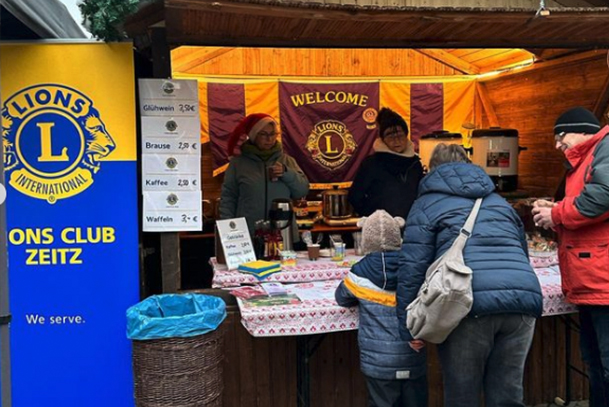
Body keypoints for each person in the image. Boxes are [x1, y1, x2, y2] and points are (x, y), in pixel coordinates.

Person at [397, 143, 542, 407]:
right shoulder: (500, 202)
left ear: (431, 169)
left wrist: (408, 327)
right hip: (522, 300)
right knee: (508, 396)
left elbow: (412, 268)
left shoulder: (426, 203)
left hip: (466, 303)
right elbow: (522, 252)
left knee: (463, 396)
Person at [532, 106, 609, 406]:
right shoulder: (584, 158)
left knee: (605, 363)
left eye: (560, 136)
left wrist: (557, 213)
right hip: (592, 280)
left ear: (581, 131)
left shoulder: (604, 148)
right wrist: (553, 208)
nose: (556, 144)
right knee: (595, 362)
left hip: (604, 281)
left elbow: (602, 196)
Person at [335, 210, 427, 407]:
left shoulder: (359, 273)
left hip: (378, 363)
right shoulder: (416, 269)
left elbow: (341, 298)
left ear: (366, 239)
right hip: (413, 355)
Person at [219, 113, 309, 236]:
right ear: (253, 136)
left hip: (283, 233)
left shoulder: (287, 161)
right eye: (264, 134)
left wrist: (287, 173)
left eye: (273, 134)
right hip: (248, 233)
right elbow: (228, 197)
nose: (269, 139)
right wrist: (228, 227)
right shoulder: (237, 164)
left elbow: (302, 190)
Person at [348, 108, 423, 220]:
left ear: (406, 135)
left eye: (400, 134)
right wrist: (372, 218)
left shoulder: (415, 164)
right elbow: (355, 197)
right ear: (382, 139)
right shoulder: (371, 164)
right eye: (390, 135)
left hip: (412, 225)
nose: (396, 140)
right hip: (380, 228)